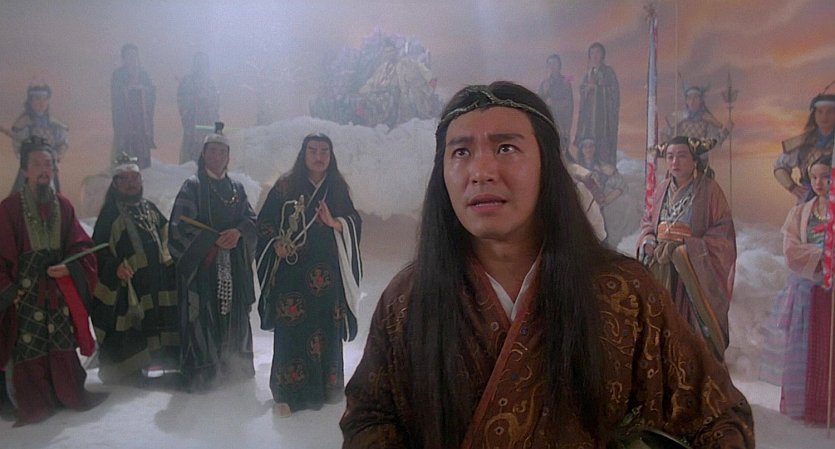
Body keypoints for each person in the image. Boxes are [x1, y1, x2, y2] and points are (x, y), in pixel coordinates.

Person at [341, 82, 754, 448]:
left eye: (506, 148)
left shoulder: (625, 293)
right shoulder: (406, 300)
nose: (481, 171)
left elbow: (719, 417)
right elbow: (370, 418)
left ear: (548, 166)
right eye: (461, 151)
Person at [256, 133, 362, 417]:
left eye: (324, 151)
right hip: (292, 275)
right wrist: (275, 243)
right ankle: (287, 395)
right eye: (313, 151)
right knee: (291, 333)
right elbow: (264, 222)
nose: (318, 156)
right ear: (303, 154)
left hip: (328, 277)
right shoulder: (285, 185)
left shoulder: (337, 187)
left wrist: (335, 222)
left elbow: (354, 221)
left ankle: (327, 390)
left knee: (326, 328)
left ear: (331, 155)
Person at [0, 137, 103, 426]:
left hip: (57, 294)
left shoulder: (64, 206)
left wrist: (70, 268)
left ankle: (65, 394)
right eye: (37, 164)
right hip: (24, 296)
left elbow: (81, 247)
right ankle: (32, 401)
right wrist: (8, 291)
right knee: (28, 346)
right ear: (24, 170)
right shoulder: (8, 209)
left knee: (60, 342)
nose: (44, 170)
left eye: (48, 164)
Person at [168, 122, 257, 392]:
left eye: (222, 152)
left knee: (235, 314)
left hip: (234, 266)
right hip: (203, 269)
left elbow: (251, 220)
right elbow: (178, 227)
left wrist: (238, 233)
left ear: (228, 156)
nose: (217, 156)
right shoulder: (192, 186)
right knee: (203, 316)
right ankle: (204, 373)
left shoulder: (237, 188)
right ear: (204, 154)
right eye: (212, 151)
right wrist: (210, 240)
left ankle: (235, 369)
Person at [637, 136, 736, 360]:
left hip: (691, 272)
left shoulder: (710, 190)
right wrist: (648, 238)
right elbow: (648, 221)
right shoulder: (661, 189)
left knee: (689, 335)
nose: (675, 162)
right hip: (661, 266)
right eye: (670, 156)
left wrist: (688, 248)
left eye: (682, 156)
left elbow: (724, 232)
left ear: (695, 160)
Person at [90, 154, 179, 383]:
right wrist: (115, 268)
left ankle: (162, 363)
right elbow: (97, 252)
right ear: (116, 183)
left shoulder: (149, 207)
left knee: (158, 320)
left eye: (135, 177)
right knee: (133, 325)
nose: (131, 183)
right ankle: (128, 372)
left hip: (157, 281)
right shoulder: (109, 215)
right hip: (128, 286)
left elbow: (168, 233)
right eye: (125, 178)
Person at [764, 154, 835, 423]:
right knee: (807, 350)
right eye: (814, 177)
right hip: (808, 289)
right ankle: (810, 405)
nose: (819, 183)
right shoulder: (800, 213)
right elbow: (791, 251)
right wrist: (822, 253)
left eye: (826, 177)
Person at [6, 83, 69, 193]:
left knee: (54, 196)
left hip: (49, 168)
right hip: (30, 168)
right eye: (37, 99)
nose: (41, 102)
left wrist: (56, 156)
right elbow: (18, 148)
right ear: (31, 101)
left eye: (44, 99)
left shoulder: (55, 124)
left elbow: (63, 143)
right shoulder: (22, 124)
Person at [662, 84, 733, 178]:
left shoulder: (707, 120)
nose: (692, 101)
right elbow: (665, 136)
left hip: (701, 163)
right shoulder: (678, 118)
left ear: (700, 100)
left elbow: (714, 142)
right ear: (686, 100)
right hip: (680, 164)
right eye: (690, 98)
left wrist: (725, 131)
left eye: (696, 98)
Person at [774, 92, 835, 202]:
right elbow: (780, 166)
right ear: (814, 115)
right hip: (809, 199)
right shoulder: (803, 143)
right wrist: (792, 187)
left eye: (830, 112)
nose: (824, 117)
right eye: (820, 112)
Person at [111, 43, 156, 170]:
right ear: (124, 58)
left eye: (134, 55)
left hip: (142, 121)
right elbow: (116, 96)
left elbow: (152, 92)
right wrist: (128, 90)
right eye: (129, 55)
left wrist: (143, 90)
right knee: (126, 149)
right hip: (126, 120)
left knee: (142, 150)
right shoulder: (118, 74)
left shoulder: (143, 74)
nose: (132, 58)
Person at [574, 42, 619, 165]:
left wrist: (597, 89)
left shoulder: (608, 72)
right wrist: (585, 90)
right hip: (588, 121)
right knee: (587, 149)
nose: (594, 55)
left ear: (603, 55)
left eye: (597, 52)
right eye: (592, 53)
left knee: (603, 151)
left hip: (603, 122)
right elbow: (583, 93)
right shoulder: (588, 74)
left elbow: (614, 92)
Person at [177, 52, 220, 164]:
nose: (201, 67)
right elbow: (182, 100)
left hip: (207, 124)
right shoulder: (187, 82)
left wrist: (207, 102)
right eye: (199, 63)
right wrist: (195, 99)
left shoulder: (211, 84)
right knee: (191, 155)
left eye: (204, 63)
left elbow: (216, 104)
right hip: (192, 125)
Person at [538, 53, 573, 151]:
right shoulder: (544, 83)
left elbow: (568, 105)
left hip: (562, 120)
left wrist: (554, 103)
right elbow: (539, 102)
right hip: (548, 120)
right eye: (549, 64)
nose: (552, 66)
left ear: (559, 65)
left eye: (554, 63)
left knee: (561, 149)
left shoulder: (565, 82)